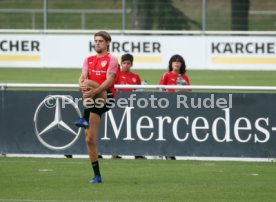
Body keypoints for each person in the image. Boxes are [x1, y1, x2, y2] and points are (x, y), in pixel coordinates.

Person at [78, 31, 119, 184]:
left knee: (88, 83)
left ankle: (83, 118)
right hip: (93, 100)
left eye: (101, 41)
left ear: (108, 42)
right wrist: (81, 83)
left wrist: (91, 89)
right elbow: (82, 76)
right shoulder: (88, 60)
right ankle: (97, 175)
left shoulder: (112, 59)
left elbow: (109, 81)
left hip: (106, 97)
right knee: (89, 139)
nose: (97, 43)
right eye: (95, 41)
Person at [159, 54, 191, 160]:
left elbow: (190, 92)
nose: (176, 63)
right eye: (174, 61)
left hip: (180, 107)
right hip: (168, 106)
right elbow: (160, 90)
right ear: (171, 64)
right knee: (167, 130)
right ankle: (166, 152)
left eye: (179, 61)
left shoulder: (184, 78)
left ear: (182, 64)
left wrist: (182, 90)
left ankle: (172, 152)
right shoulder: (166, 75)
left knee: (177, 130)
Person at [116, 53, 146, 160]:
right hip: (119, 106)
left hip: (132, 107)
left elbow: (138, 92)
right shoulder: (117, 75)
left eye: (128, 63)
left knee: (134, 130)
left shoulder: (136, 77)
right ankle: (116, 153)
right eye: (124, 63)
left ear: (132, 64)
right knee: (119, 130)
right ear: (121, 64)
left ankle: (137, 153)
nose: (126, 65)